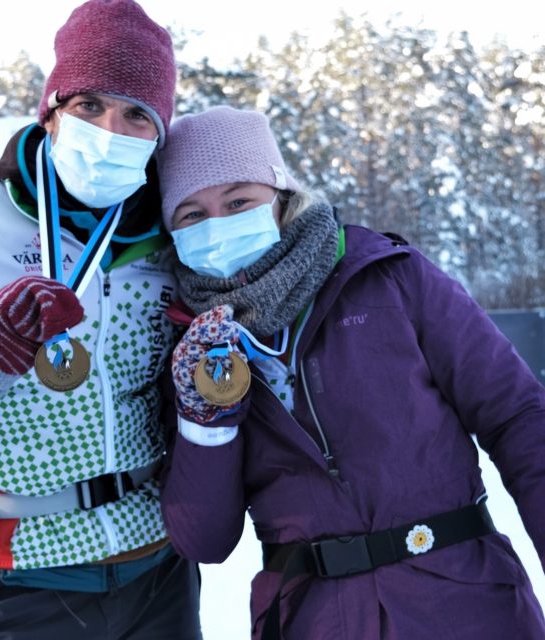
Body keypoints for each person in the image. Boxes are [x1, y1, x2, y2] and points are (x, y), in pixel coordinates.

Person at [155, 105, 545, 639]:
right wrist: (206, 423)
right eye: (192, 214)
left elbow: (519, 418)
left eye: (239, 200)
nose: (218, 225)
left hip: (463, 603)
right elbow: (204, 540)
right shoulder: (193, 347)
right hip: (314, 618)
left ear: (281, 199)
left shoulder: (389, 278)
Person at [0, 1, 203, 638]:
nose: (110, 130)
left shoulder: (176, 235)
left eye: (137, 115)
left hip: (161, 576)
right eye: (90, 105)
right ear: (51, 110)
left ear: (160, 136)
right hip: (22, 581)